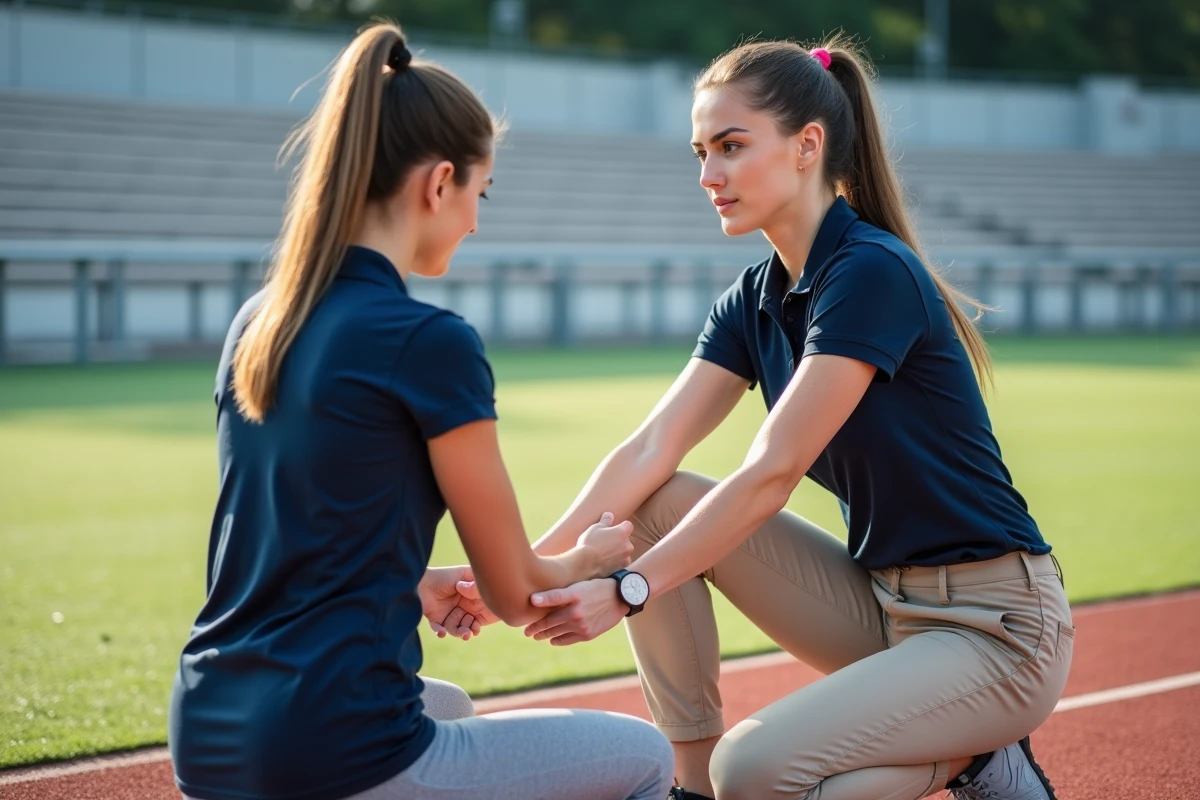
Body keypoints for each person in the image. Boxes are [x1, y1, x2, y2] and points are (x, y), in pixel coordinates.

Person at [521, 37, 1073, 800]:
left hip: (996, 627)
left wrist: (627, 590)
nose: (709, 175)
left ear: (808, 145)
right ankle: (690, 789)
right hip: (884, 607)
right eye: (700, 152)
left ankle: (979, 756)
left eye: (732, 146)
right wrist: (525, 576)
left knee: (753, 771)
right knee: (653, 501)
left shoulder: (870, 271)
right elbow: (651, 446)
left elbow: (770, 472)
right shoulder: (754, 298)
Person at [167, 23, 673, 800]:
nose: (475, 219)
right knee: (646, 758)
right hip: (326, 746)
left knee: (451, 708)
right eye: (480, 192)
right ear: (439, 184)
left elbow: (286, 548)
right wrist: (595, 558)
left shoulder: (257, 321)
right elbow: (514, 590)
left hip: (207, 730)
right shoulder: (429, 341)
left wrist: (410, 582)